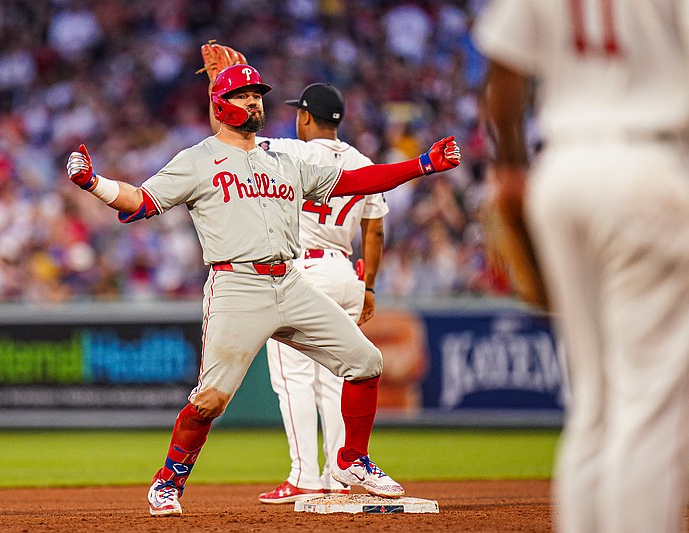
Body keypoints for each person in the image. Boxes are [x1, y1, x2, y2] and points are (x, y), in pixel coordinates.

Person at [66, 63, 461, 517]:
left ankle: (352, 461)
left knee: (366, 362)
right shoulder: (197, 159)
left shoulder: (282, 160)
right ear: (220, 104)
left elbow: (352, 183)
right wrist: (93, 184)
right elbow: (141, 201)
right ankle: (168, 481)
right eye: (243, 95)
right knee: (210, 399)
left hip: (292, 281)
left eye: (258, 95)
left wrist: (424, 164)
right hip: (236, 286)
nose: (254, 101)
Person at [474, 2, 689, 532]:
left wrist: (511, 167)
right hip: (649, 161)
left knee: (593, 401)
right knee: (648, 403)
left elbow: (504, 65)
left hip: (562, 170)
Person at [253, 83, 388, 504]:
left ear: (306, 117)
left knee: (292, 377)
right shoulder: (362, 161)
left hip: (301, 269)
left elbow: (234, 138)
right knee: (337, 379)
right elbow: (376, 229)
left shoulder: (290, 151)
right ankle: (336, 474)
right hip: (345, 269)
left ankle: (304, 477)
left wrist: (218, 91)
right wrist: (367, 286)